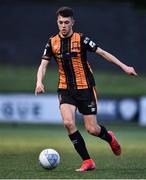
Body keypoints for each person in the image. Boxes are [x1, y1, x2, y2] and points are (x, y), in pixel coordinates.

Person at [35, 6, 137, 172]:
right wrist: (39, 82)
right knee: (68, 123)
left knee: (92, 129)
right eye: (60, 22)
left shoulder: (81, 39)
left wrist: (124, 67)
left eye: (67, 22)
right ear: (57, 22)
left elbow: (102, 53)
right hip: (65, 89)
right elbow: (43, 65)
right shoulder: (52, 42)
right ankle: (88, 161)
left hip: (86, 89)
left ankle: (109, 137)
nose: (63, 26)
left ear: (72, 22)